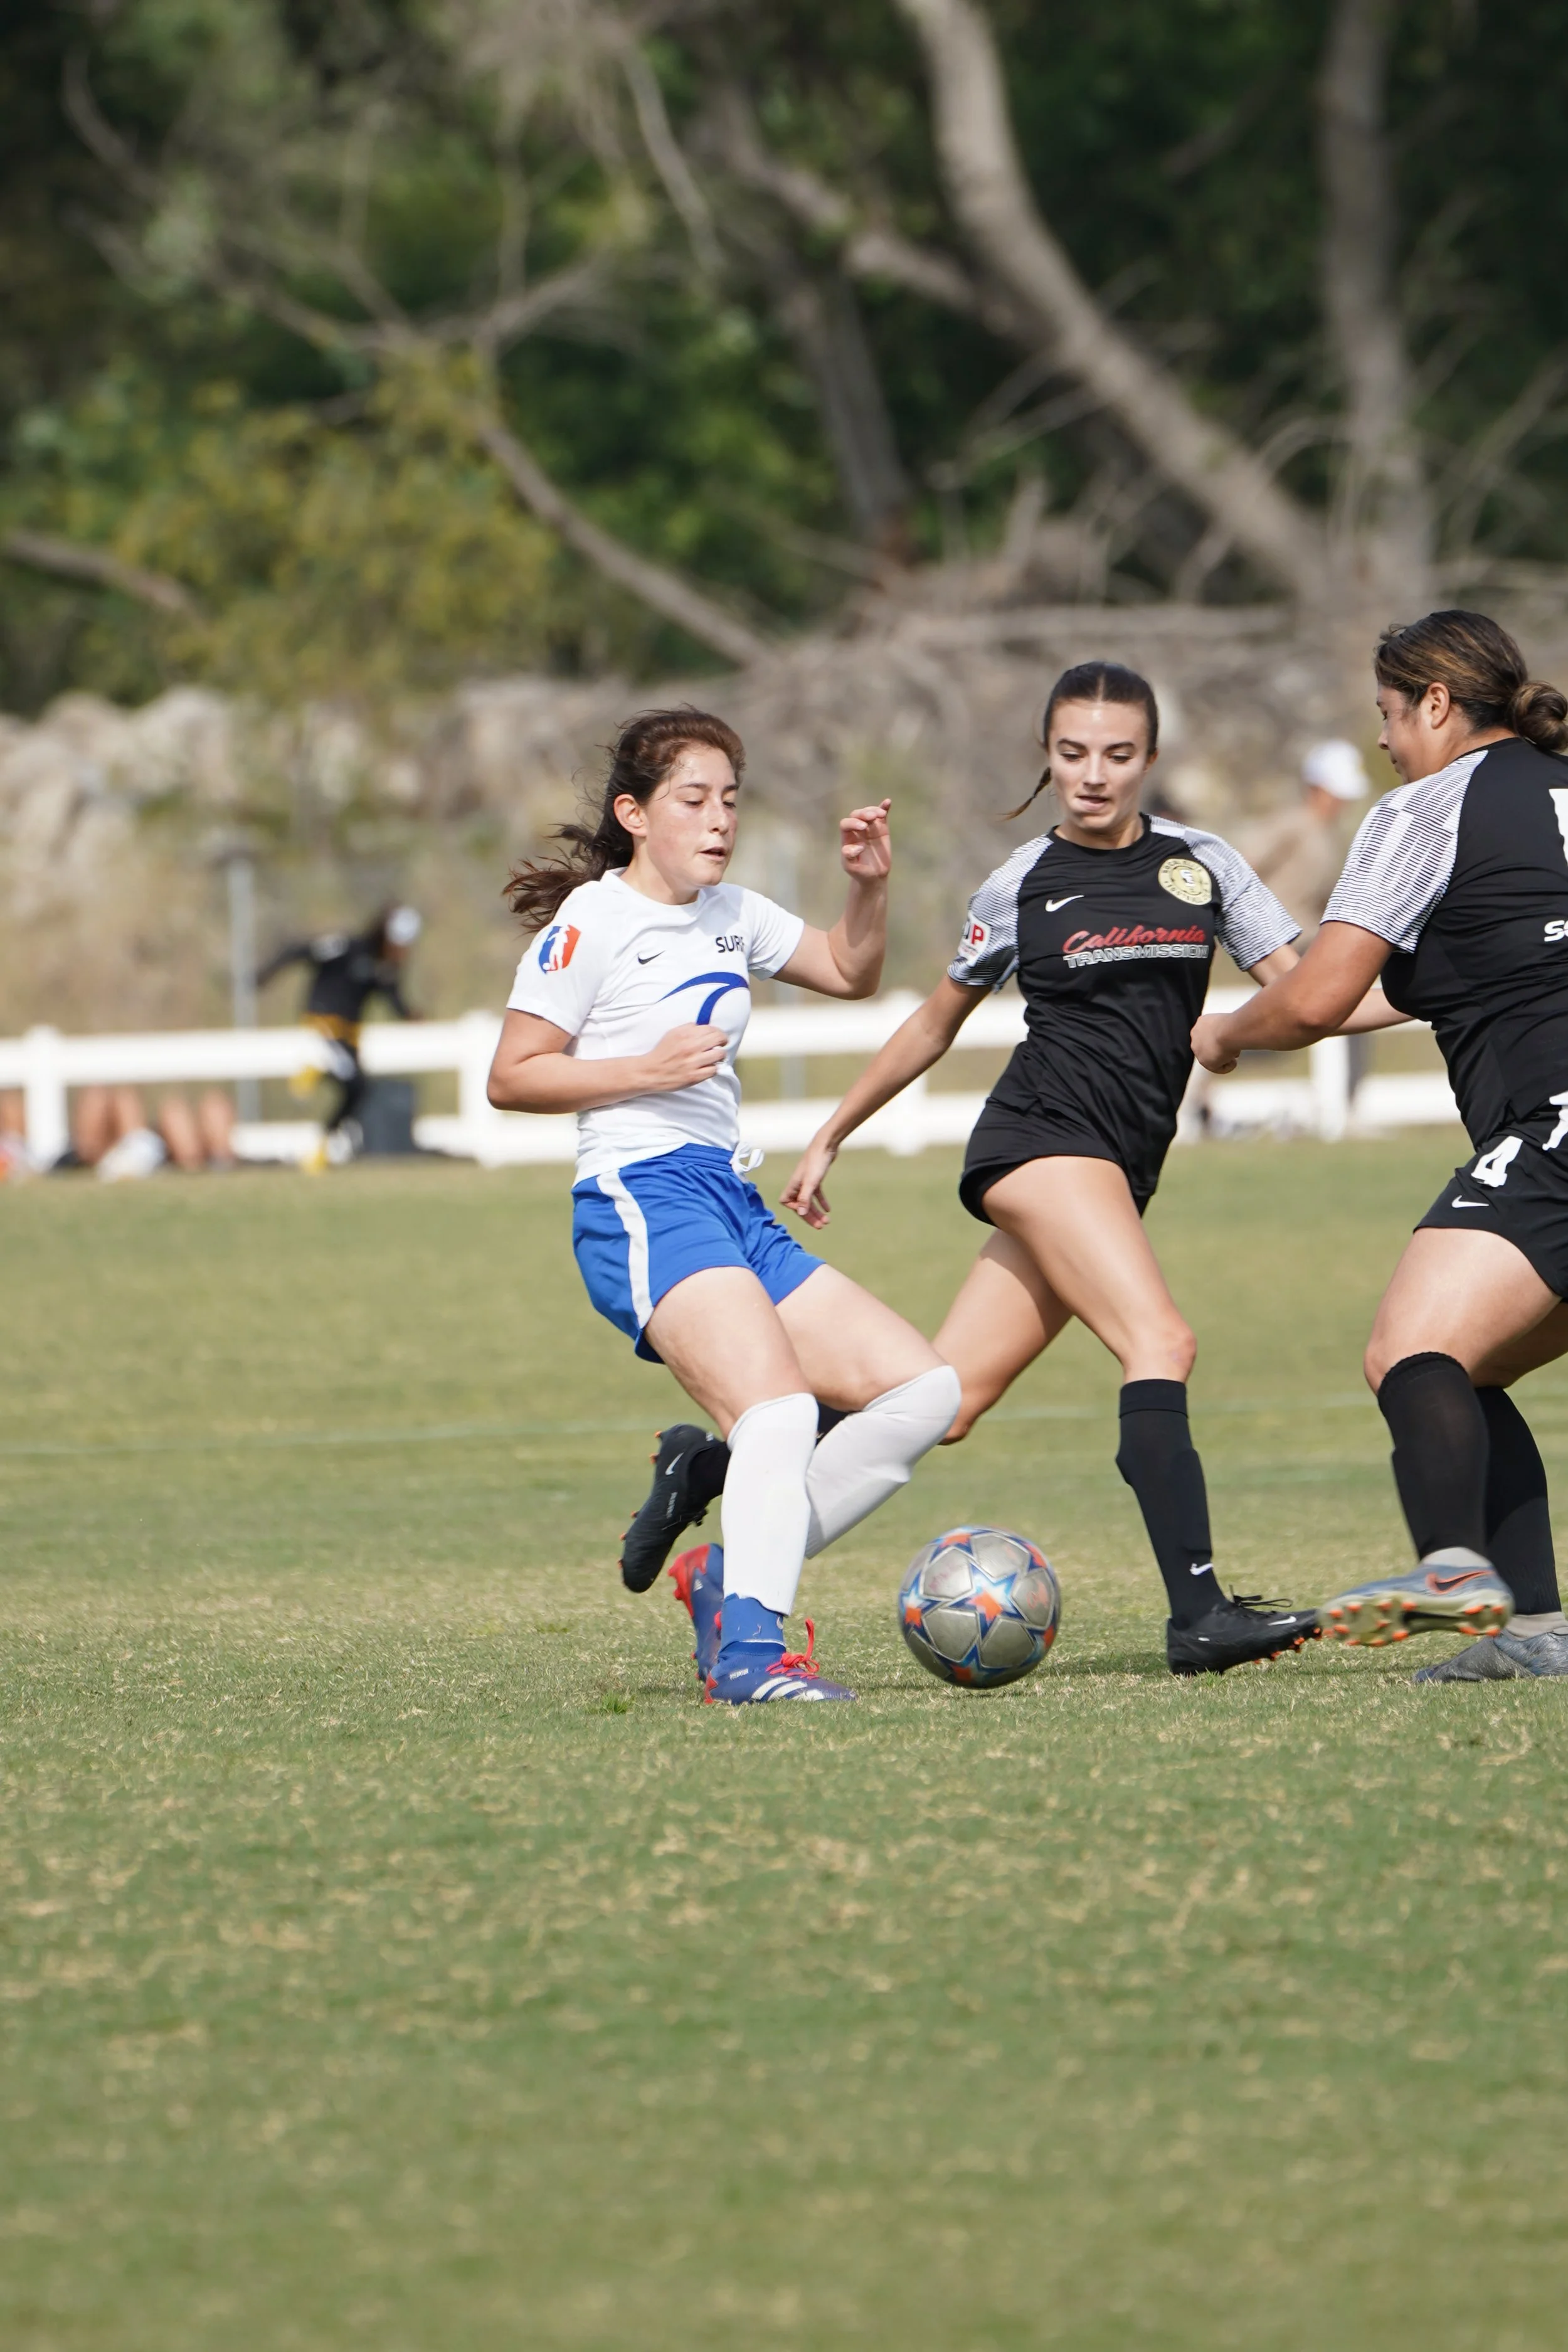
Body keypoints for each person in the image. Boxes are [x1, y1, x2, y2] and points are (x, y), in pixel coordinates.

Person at [629, 663, 1397, 1677]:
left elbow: (1314, 998)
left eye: (1118, 755)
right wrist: (835, 1131)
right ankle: (1199, 1613)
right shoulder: (1022, 880)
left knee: (946, 1403)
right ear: (1048, 755)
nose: (1093, 774)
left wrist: (1465, 990)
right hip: (1039, 1140)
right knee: (1161, 1339)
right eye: (1073, 754)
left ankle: (716, 1492)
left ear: (1150, 760)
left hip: (1122, 1164)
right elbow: (936, 1021)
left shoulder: (1204, 866)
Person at [487, 706, 961, 1705]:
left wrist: (868, 887)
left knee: (923, 1392)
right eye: (693, 800)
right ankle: (751, 1654)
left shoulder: (733, 912)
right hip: (640, 1193)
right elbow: (512, 1076)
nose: (718, 821)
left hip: (727, 1195)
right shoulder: (593, 922)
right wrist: (639, 1069)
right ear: (636, 813)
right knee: (780, 1411)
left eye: (731, 801)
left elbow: (848, 969)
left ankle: (726, 1573)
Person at [1193, 610, 1568, 1680]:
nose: (1384, 742)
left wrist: (1225, 1036)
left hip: (1554, 1125)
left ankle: (1452, 1569)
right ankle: (1536, 1634)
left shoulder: (1427, 808)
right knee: (1472, 1366)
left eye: (1390, 716)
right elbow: (1390, 992)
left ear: (1439, 705)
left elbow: (1315, 1000)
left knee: (1411, 1353)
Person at [257, 905, 421, 1165]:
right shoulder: (347, 947)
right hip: (323, 1029)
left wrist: (412, 1016)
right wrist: (263, 975)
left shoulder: (384, 970)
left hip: (348, 1039)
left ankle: (320, 1149)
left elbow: (395, 1001)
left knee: (357, 1090)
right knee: (353, 1083)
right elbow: (298, 951)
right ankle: (312, 1068)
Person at [1241, 738, 1370, 939]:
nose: (1342, 802)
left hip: (1304, 941)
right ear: (1318, 787)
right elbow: (1244, 866)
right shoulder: (1293, 824)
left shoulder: (1330, 838)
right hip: (1272, 941)